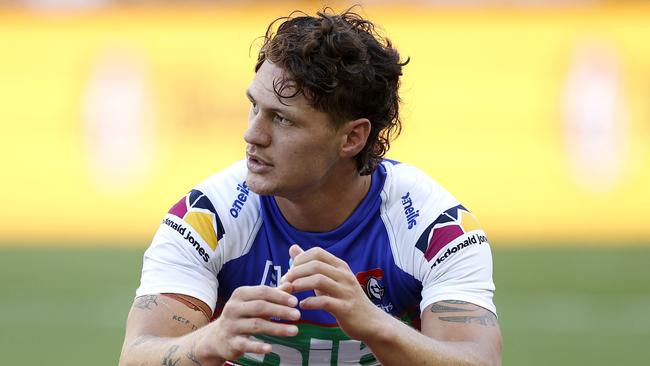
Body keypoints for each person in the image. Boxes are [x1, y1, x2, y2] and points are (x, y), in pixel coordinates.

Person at [119, 8, 502, 366]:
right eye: (255, 107)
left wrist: (372, 323)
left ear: (352, 137)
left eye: (283, 120)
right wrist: (207, 340)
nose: (252, 134)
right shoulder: (207, 218)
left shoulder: (435, 228)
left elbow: (480, 359)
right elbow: (136, 353)